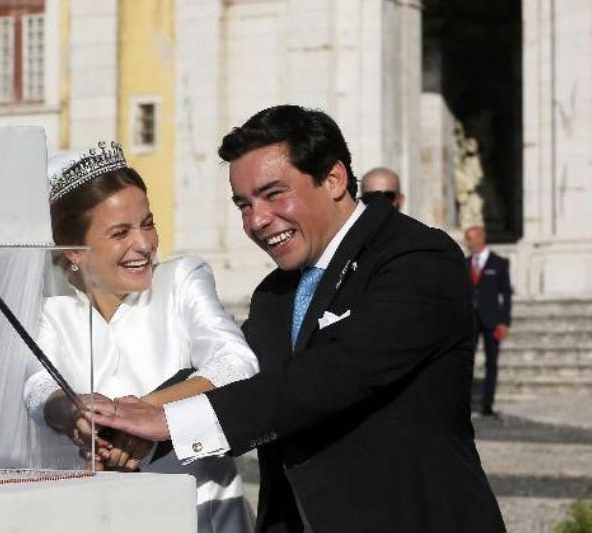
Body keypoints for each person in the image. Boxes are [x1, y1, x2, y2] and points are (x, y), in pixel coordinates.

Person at [89, 106, 505, 533]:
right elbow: (233, 371)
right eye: (243, 205)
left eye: (273, 194)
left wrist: (170, 422)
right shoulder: (275, 292)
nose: (257, 221)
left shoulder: (417, 257)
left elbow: (332, 375)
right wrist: (128, 417)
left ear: (333, 179)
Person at [20, 141, 259, 532]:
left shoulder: (181, 280)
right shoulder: (50, 310)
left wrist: (141, 416)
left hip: (202, 515)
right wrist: (72, 412)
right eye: (120, 232)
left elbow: (237, 363)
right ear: (74, 251)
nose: (145, 244)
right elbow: (37, 384)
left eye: (148, 223)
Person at [464, 225, 512, 416]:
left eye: (470, 238)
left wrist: (505, 322)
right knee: (466, 361)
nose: (467, 243)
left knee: (491, 363)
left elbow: (506, 295)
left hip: (492, 321)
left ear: (481, 238)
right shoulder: (465, 263)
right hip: (470, 322)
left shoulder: (499, 263)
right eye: (467, 239)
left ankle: (487, 404)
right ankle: (464, 402)